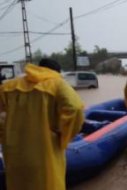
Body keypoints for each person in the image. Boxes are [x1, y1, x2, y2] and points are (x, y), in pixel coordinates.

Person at [0, 58, 84, 190]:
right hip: (45, 151)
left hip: (15, 153)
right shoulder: (57, 84)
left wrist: (4, 135)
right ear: (56, 71)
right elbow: (76, 107)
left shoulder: (8, 87)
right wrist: (65, 134)